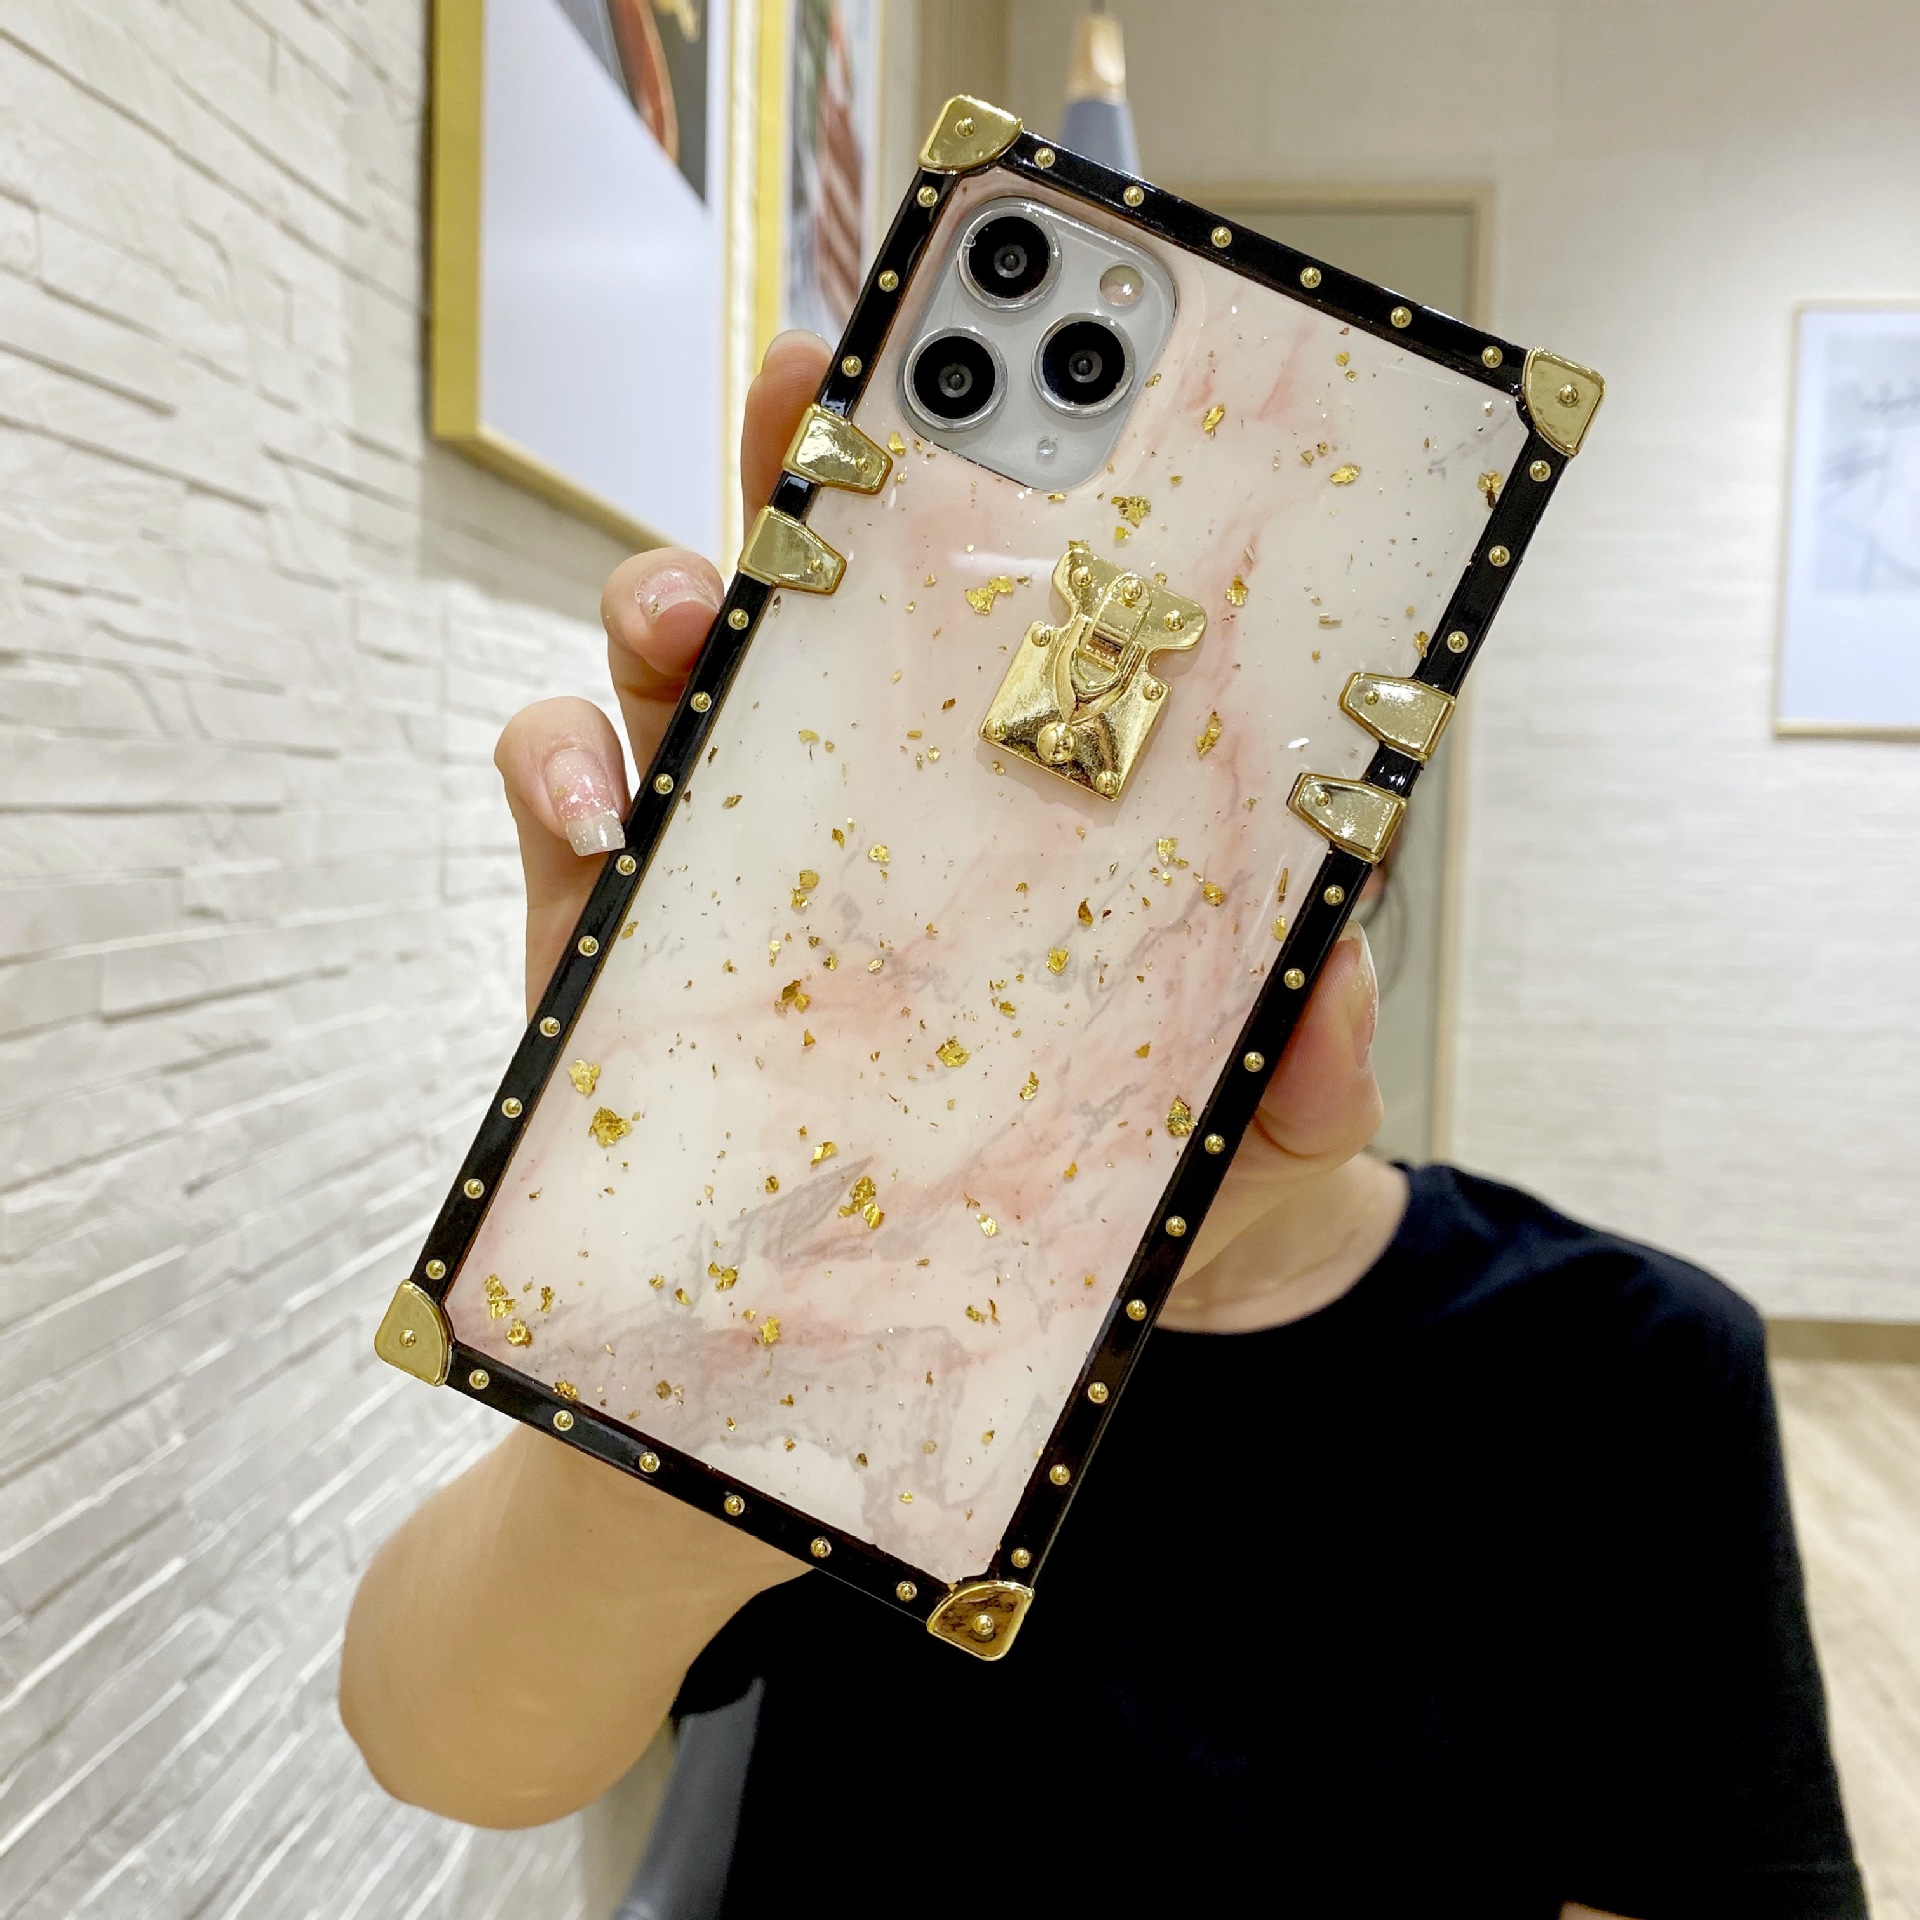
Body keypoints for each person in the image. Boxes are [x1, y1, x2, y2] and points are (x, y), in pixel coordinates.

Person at [341, 333, 1868, 1919]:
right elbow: (433, 1743)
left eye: (1226, 737)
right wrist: (703, 1377)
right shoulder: (842, 1279)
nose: (1082, 811)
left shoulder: (1629, 1363)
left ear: (1368, 826)